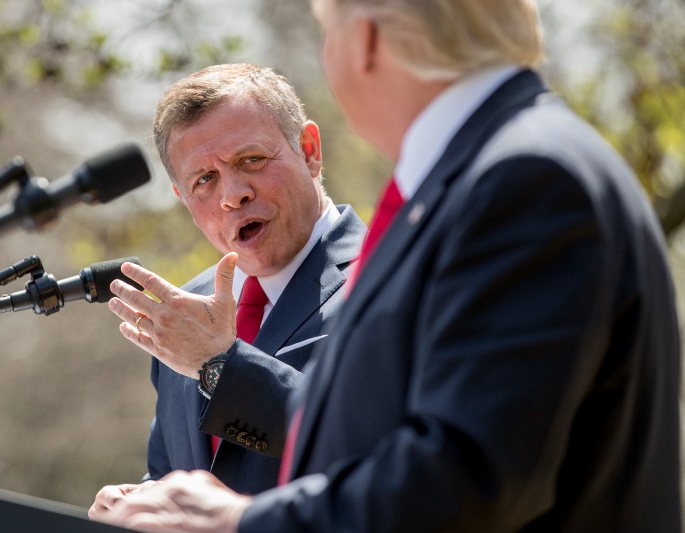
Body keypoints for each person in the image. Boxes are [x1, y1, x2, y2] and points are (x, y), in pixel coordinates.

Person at [89, 1, 682, 531]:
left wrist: (242, 523)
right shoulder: (500, 172)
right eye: (204, 180)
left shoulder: (524, 180)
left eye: (325, 30)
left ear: (365, 39)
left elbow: (468, 479)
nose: (232, 193)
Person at [95, 64, 367, 497]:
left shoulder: (388, 278)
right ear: (183, 199)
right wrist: (139, 503)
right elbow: (176, 475)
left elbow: (377, 442)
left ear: (309, 149)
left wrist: (219, 364)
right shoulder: (185, 314)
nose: (232, 195)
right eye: (205, 180)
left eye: (251, 160)